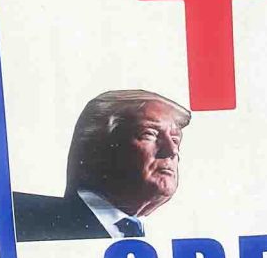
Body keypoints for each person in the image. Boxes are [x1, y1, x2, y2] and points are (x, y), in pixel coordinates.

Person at [13, 90, 191, 242]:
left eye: (175, 140)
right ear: (96, 147)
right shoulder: (17, 218)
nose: (172, 150)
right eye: (149, 134)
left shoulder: (168, 239)